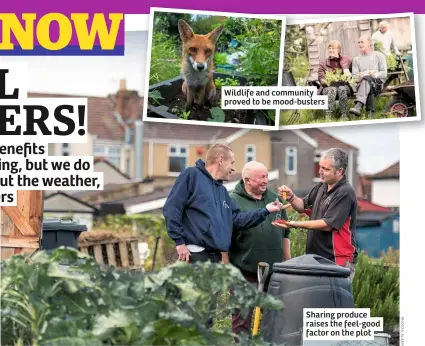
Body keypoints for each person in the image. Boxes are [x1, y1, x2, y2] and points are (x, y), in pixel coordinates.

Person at [162, 144, 284, 327]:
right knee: (194, 309)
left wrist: (266, 210)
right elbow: (172, 208)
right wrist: (179, 242)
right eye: (232, 162)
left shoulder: (221, 191)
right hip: (195, 256)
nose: (233, 168)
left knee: (208, 312)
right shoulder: (191, 175)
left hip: (214, 259)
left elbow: (237, 220)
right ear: (220, 160)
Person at [221, 161, 291, 339]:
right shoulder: (231, 201)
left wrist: (288, 265)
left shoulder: (275, 199)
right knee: (242, 320)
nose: (265, 180)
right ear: (247, 180)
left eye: (266, 176)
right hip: (244, 272)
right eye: (261, 177)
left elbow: (285, 234)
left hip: (274, 273)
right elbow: (222, 239)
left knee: (272, 320)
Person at [274, 148, 357, 281]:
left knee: (332, 301)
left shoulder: (345, 192)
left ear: (340, 171)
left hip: (337, 261)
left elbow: (327, 225)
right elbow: (302, 207)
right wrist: (291, 197)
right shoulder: (321, 186)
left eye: (326, 169)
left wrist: (295, 224)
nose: (320, 172)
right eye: (320, 167)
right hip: (317, 258)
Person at [349, 35, 387, 118]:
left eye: (362, 42)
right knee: (367, 81)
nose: (359, 44)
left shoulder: (379, 56)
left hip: (377, 85)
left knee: (367, 79)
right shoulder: (356, 59)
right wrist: (360, 77)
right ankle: (370, 113)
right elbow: (354, 78)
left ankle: (358, 106)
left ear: (369, 43)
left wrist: (368, 73)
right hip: (361, 85)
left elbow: (384, 73)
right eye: (358, 42)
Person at [317, 40, 353, 119]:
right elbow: (320, 77)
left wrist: (349, 75)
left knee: (342, 88)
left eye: (333, 48)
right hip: (327, 87)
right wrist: (325, 81)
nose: (331, 50)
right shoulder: (323, 63)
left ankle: (344, 114)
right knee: (332, 89)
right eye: (329, 48)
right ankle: (329, 115)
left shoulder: (346, 60)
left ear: (339, 50)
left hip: (344, 86)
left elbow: (353, 72)